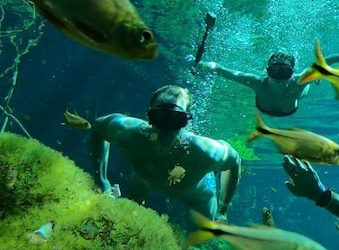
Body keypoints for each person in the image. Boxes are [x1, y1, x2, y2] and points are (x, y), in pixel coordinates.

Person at [90, 85, 240, 220]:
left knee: (204, 236)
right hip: (144, 182)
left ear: (186, 121)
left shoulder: (203, 150)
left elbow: (235, 161)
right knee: (128, 217)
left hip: (197, 194)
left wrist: (223, 209)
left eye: (175, 119)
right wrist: (102, 179)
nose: (166, 128)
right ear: (149, 117)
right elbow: (97, 129)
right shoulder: (127, 131)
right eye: (160, 117)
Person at [199, 37, 339, 117]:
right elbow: (222, 70)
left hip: (296, 95)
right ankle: (315, 77)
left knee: (310, 78)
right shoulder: (257, 83)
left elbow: (328, 60)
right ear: (267, 71)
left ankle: (315, 79)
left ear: (292, 72)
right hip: (278, 105)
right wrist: (208, 66)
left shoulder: (296, 81)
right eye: (275, 72)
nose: (280, 78)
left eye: (285, 72)